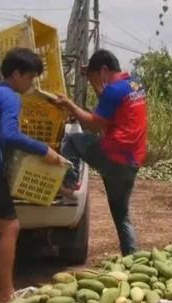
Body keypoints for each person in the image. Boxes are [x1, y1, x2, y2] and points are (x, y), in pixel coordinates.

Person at [0, 47, 67, 303]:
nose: (31, 84)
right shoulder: (10, 97)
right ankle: (7, 293)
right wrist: (45, 150)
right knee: (10, 227)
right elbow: (9, 134)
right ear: (17, 74)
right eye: (30, 78)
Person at [54, 49, 148, 256]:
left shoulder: (113, 91)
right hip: (132, 161)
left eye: (95, 76)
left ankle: (69, 183)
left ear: (104, 70)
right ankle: (132, 259)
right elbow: (108, 104)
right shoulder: (134, 83)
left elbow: (94, 126)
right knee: (121, 215)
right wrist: (94, 80)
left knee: (72, 139)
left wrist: (69, 105)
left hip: (113, 157)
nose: (96, 81)